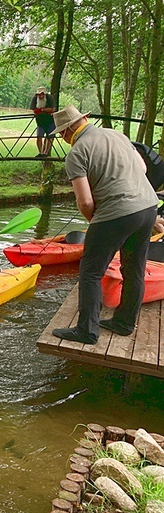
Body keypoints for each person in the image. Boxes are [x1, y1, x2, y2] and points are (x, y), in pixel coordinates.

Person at [50, 105, 159, 344]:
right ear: (85, 119)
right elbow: (142, 168)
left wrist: (96, 223)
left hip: (117, 213)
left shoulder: (76, 153)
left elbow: (85, 201)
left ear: (65, 133)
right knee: (134, 269)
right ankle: (124, 323)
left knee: (90, 272)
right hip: (149, 206)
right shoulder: (116, 134)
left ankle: (86, 331)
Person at [29, 87, 56, 157]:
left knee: (49, 137)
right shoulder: (35, 99)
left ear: (44, 94)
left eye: (42, 94)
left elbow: (52, 109)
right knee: (39, 136)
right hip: (40, 121)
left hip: (50, 121)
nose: (40, 96)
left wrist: (42, 110)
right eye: (39, 95)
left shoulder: (49, 98)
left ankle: (46, 152)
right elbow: (33, 109)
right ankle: (41, 152)